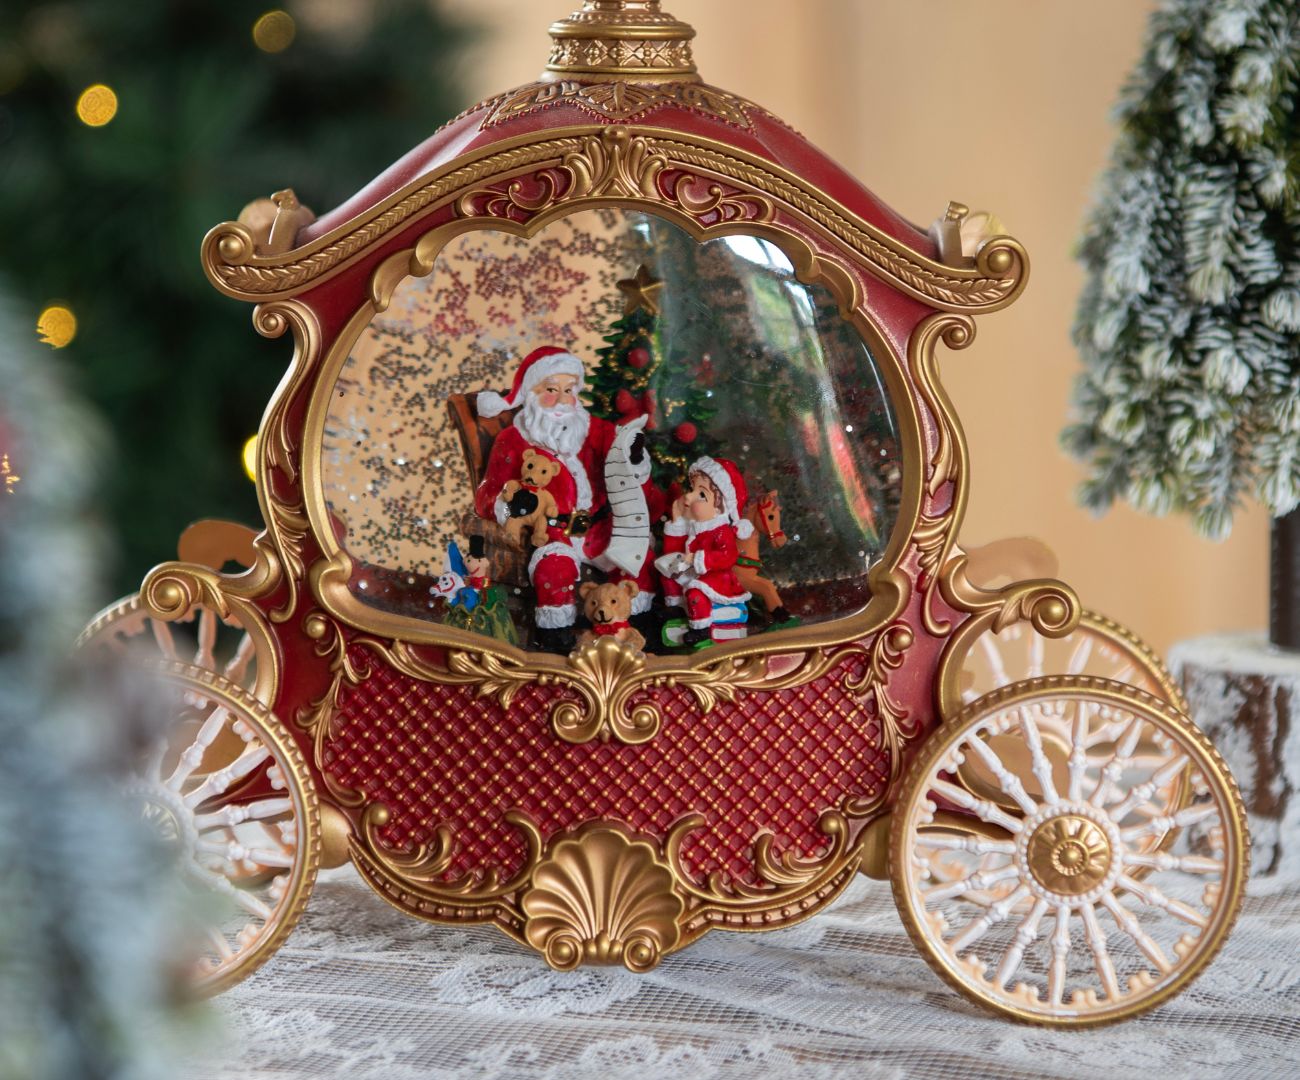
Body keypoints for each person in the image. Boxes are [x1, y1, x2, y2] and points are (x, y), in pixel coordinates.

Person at [473, 346, 664, 652]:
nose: (562, 400)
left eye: (569, 390)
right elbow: (488, 495)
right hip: (552, 532)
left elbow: (628, 471)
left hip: (600, 529)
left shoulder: (596, 430)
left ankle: (637, 634)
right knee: (554, 570)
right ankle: (557, 643)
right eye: (551, 390)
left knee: (636, 559)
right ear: (531, 394)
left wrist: (634, 456)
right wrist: (516, 506)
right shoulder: (513, 439)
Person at [657, 456, 752, 647]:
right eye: (692, 490)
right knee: (668, 577)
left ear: (719, 507)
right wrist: (675, 521)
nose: (689, 497)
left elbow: (728, 556)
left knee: (695, 592)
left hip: (717, 578)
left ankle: (700, 628)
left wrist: (699, 558)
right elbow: (673, 551)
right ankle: (677, 607)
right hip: (695, 570)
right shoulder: (694, 527)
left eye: (701, 495)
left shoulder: (721, 531)